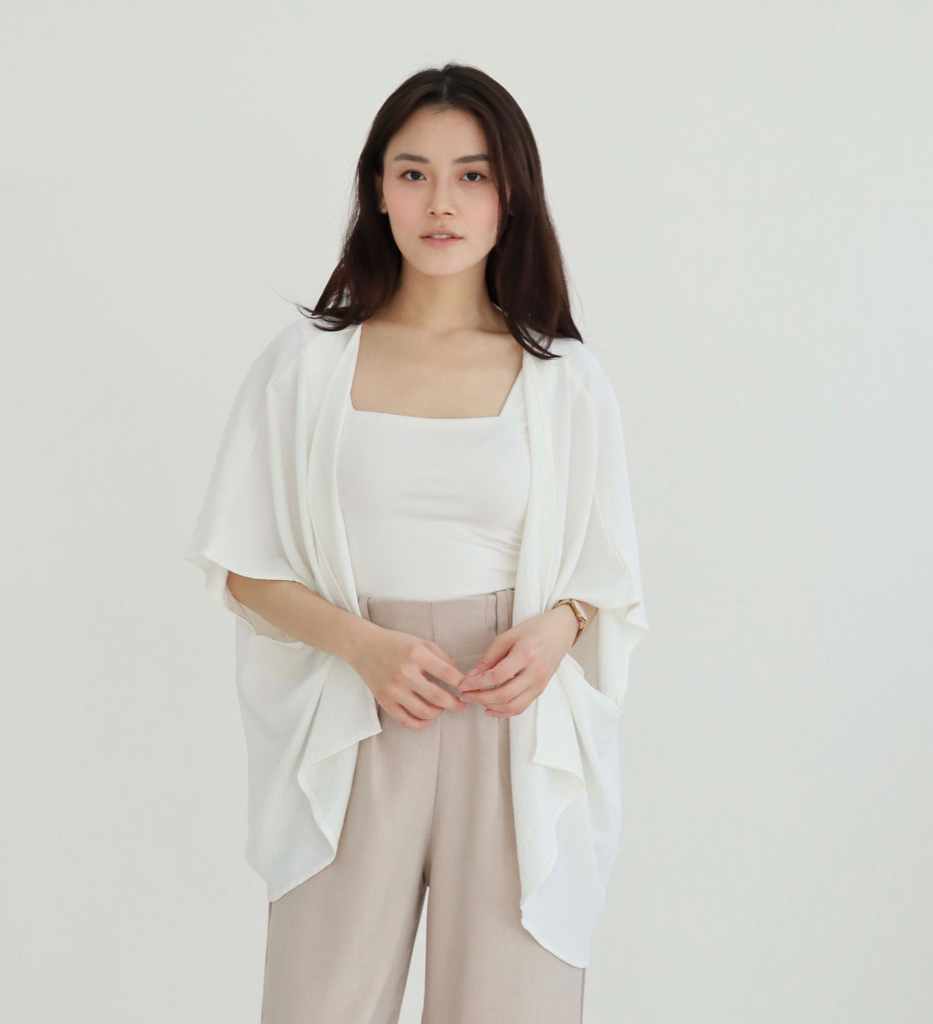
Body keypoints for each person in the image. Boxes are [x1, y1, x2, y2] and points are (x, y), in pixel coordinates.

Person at [184, 62, 649, 1024]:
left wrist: (558, 629)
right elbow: (243, 566)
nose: (442, 202)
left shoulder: (564, 379)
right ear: (378, 191)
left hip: (510, 718)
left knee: (512, 1004)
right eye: (414, 173)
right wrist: (362, 645)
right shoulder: (308, 365)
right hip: (357, 712)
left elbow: (608, 577)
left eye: (472, 175)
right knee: (321, 1002)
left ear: (510, 197)